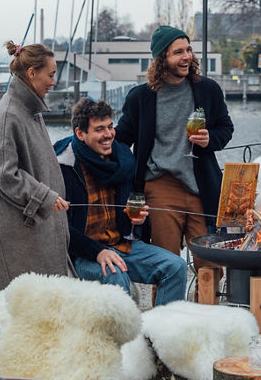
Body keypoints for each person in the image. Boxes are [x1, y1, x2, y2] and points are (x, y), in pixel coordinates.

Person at [115, 26, 234, 269]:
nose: (187, 56)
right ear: (162, 59)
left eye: (188, 50)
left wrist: (210, 138)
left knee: (211, 264)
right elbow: (120, 141)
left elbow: (226, 127)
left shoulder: (208, 89)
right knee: (167, 265)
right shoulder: (140, 97)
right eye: (178, 52)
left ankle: (208, 308)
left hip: (202, 187)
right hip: (161, 188)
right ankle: (168, 308)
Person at [55, 98, 188, 305]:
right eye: (99, 129)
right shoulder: (64, 166)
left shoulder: (123, 158)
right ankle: (126, 337)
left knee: (176, 267)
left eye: (110, 127)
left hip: (123, 244)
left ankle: (160, 333)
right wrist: (97, 251)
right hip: (84, 253)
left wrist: (137, 221)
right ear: (80, 134)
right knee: (116, 276)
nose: (108, 134)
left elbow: (131, 213)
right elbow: (60, 228)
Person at [0, 41, 72, 295]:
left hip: (36, 232)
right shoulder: (9, 114)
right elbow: (2, 173)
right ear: (32, 73)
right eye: (50, 74)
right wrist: (44, 197)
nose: (54, 81)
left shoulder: (29, 109)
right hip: (24, 238)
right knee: (24, 314)